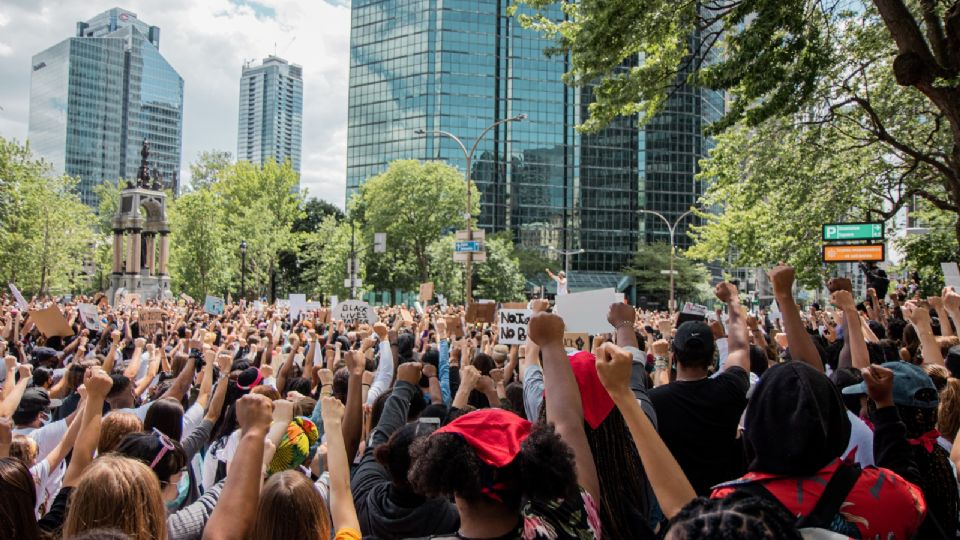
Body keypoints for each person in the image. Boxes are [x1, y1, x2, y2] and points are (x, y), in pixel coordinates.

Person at [647, 282, 751, 495]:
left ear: (674, 358)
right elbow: (740, 347)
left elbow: (662, 387)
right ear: (713, 357)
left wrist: (659, 358)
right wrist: (733, 300)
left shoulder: (655, 400)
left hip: (679, 508)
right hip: (725, 502)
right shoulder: (730, 389)